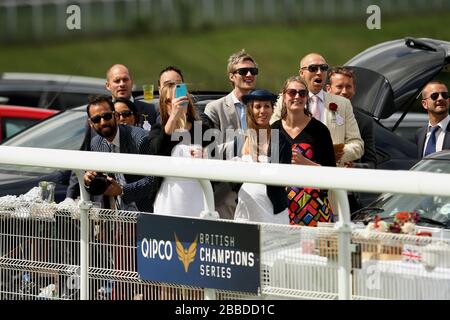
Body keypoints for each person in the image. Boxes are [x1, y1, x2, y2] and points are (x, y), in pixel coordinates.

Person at [271, 53, 363, 167]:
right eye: (313, 68)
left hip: (330, 174)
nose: (319, 72)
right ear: (301, 73)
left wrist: (334, 152)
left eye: (323, 68)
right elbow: (272, 136)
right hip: (291, 173)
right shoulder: (286, 100)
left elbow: (357, 144)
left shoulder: (343, 104)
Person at [271, 76, 336, 226]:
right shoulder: (274, 129)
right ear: (283, 96)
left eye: (302, 93)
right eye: (292, 92)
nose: (297, 97)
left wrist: (305, 162)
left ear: (307, 98)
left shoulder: (319, 130)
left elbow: (332, 174)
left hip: (314, 208)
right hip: (282, 208)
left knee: (316, 250)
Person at [203, 49, 258, 219]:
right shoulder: (215, 108)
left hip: (257, 185)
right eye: (243, 71)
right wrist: (243, 143)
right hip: (226, 190)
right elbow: (212, 150)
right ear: (231, 76)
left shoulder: (264, 106)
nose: (249, 74)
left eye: (253, 71)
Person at [83, 95, 155, 213]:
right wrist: (89, 180)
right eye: (96, 119)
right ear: (91, 123)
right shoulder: (96, 143)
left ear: (116, 116)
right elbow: (101, 183)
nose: (103, 122)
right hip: (115, 216)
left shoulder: (141, 139)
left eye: (107, 116)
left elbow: (155, 180)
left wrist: (122, 190)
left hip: (146, 212)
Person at [148, 81, 210, 217]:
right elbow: (157, 151)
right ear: (164, 105)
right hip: (170, 197)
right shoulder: (158, 130)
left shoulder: (201, 129)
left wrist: (205, 155)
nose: (175, 104)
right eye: (169, 101)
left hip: (198, 196)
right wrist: (173, 118)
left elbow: (216, 159)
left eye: (179, 99)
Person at [233, 89, 289, 224]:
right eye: (258, 106)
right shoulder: (240, 139)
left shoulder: (280, 140)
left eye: (267, 106)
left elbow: (283, 178)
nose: (262, 111)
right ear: (250, 109)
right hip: (245, 207)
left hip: (271, 210)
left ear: (272, 110)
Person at [326, 66, 377, 169]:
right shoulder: (319, 112)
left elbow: (371, 164)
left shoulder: (364, 121)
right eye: (339, 86)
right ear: (328, 89)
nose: (344, 91)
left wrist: (354, 166)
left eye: (348, 86)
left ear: (354, 89)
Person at [106, 64, 158, 128]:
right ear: (108, 85)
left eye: (125, 80)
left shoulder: (152, 110)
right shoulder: (100, 113)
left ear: (132, 82)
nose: (122, 84)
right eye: (117, 81)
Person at [416, 80, 450, 159]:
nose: (440, 98)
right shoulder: (420, 134)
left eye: (445, 95)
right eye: (434, 96)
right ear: (425, 104)